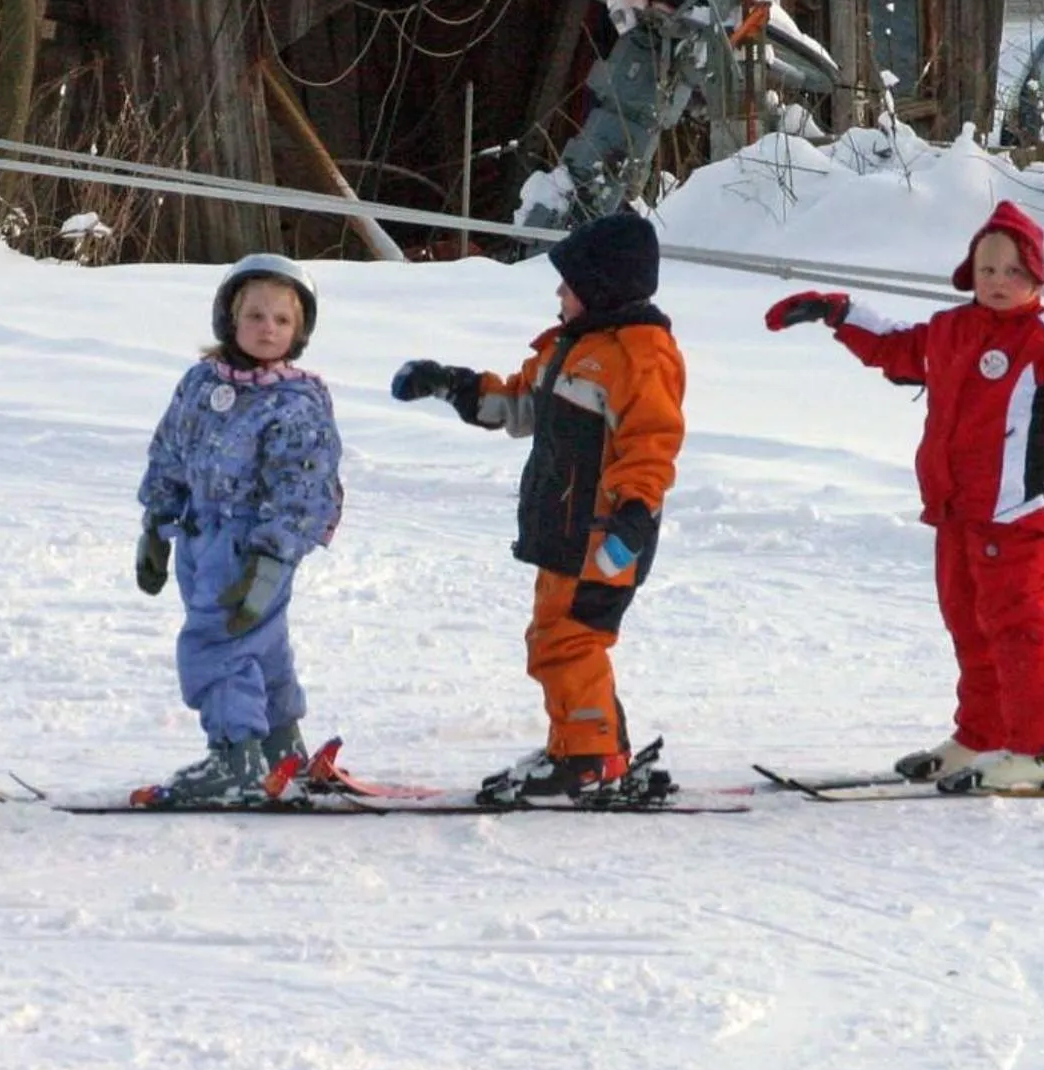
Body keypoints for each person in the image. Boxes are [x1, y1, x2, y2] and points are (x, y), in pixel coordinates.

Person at [766, 201, 1044, 790]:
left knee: (1016, 623)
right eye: (987, 271)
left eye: (1013, 272)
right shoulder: (951, 331)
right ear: (969, 274)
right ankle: (983, 733)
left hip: (1018, 511)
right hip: (957, 509)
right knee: (968, 623)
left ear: (1035, 275)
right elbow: (894, 346)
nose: (1000, 283)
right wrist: (838, 312)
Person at [391, 210, 685, 802]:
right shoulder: (569, 349)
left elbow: (651, 441)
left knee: (569, 640)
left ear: (602, 287)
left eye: (569, 283)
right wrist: (450, 382)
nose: (558, 292)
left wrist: (632, 511)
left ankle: (587, 757)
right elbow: (518, 404)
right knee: (558, 637)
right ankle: (591, 745)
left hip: (608, 532)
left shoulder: (639, 355)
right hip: (565, 527)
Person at [135, 254, 343, 802]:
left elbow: (305, 487)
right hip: (198, 535)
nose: (267, 329)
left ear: (299, 332)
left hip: (252, 545)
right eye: (255, 316)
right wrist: (156, 523)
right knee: (262, 645)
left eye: (282, 320)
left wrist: (273, 558)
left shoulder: (296, 402)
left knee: (217, 643)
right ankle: (279, 746)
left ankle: (235, 754)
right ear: (229, 317)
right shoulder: (201, 383)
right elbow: (170, 451)